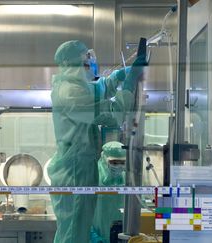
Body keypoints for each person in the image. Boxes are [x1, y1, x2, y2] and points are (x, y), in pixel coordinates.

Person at [48, 40, 146, 243]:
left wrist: (116, 78)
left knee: (77, 231)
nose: (91, 63)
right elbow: (111, 114)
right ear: (72, 64)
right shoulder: (70, 92)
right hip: (74, 171)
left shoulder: (74, 86)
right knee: (74, 234)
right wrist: (127, 87)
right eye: (86, 60)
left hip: (79, 167)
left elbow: (97, 90)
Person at [90, 141, 126, 243]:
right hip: (98, 236)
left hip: (122, 236)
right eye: (114, 162)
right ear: (104, 158)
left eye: (122, 163)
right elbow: (82, 210)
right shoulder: (93, 177)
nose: (118, 167)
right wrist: (92, 235)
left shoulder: (127, 178)